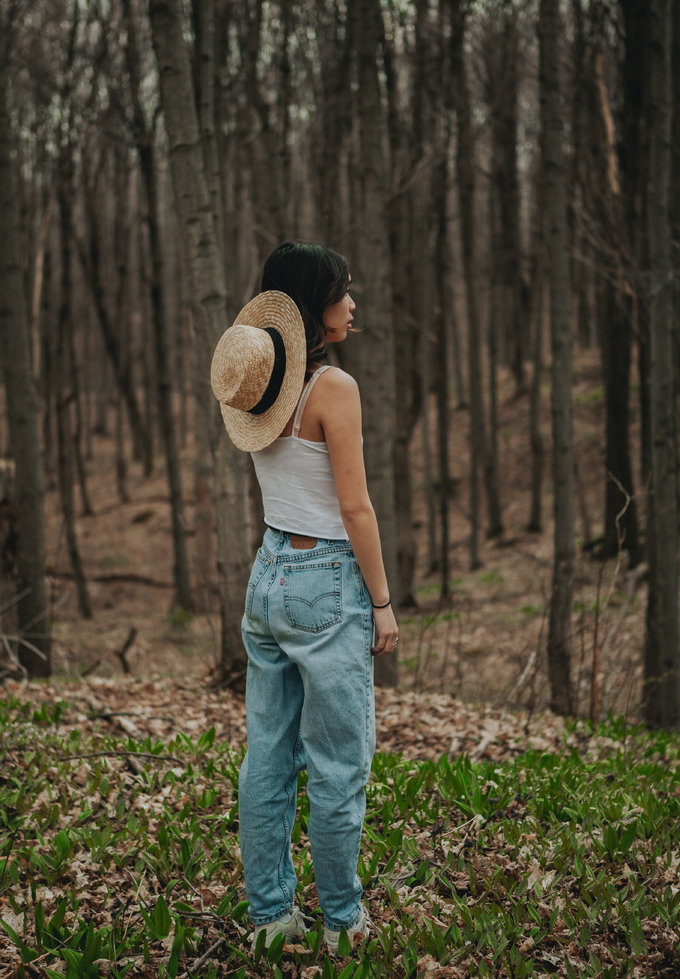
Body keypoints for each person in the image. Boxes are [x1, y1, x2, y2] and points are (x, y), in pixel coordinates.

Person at [210, 241, 399, 954]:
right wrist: (381, 601)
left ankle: (271, 917)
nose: (353, 303)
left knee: (266, 757)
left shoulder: (261, 387)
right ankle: (343, 923)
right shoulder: (332, 388)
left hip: (270, 574)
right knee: (337, 765)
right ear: (317, 305)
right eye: (342, 292)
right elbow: (355, 509)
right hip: (326, 582)